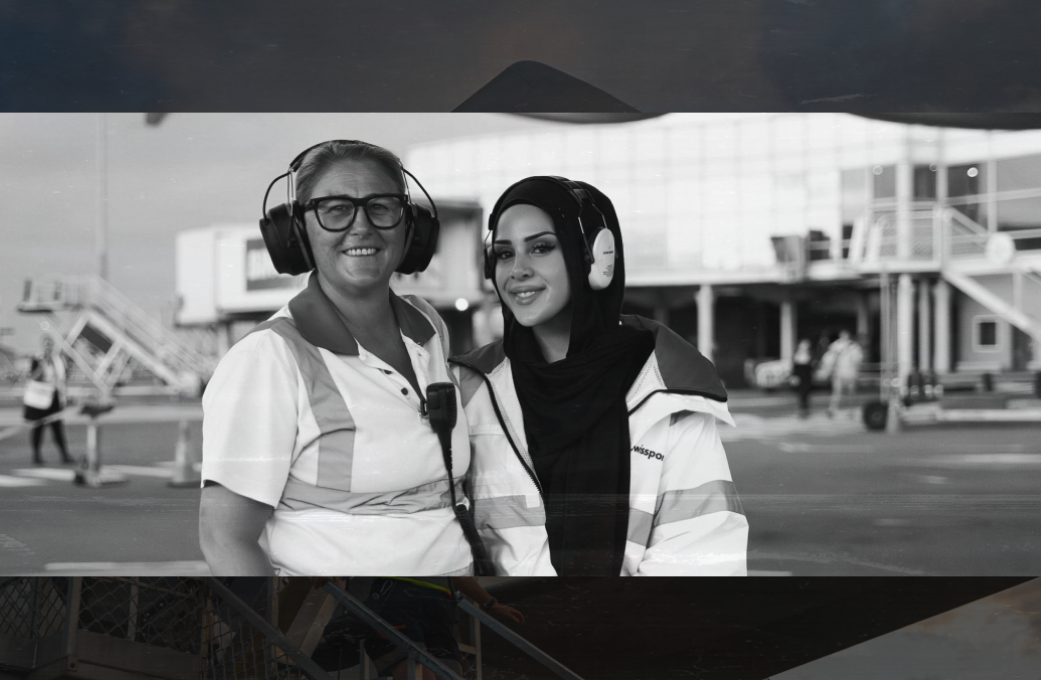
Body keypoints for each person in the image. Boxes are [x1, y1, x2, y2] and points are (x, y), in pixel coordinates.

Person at [199, 140, 473, 577]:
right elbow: (224, 539)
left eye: (381, 207)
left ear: (410, 227)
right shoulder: (267, 358)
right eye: (335, 209)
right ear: (297, 231)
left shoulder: (428, 326)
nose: (362, 226)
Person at [451, 176, 748, 576]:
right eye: (504, 254)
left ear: (595, 258)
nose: (517, 270)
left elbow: (700, 561)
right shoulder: (467, 388)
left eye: (541, 247)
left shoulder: (666, 389)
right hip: (498, 633)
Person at [311, 576, 524, 680]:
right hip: (399, 596)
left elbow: (459, 574)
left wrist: (491, 604)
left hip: (439, 603)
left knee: (446, 672)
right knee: (418, 671)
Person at [22, 345, 74, 466]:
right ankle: (36, 455)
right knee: (38, 428)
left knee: (57, 428)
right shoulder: (37, 360)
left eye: (50, 345)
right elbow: (32, 377)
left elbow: (63, 377)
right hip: (40, 399)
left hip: (54, 398)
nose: (48, 348)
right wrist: (42, 364)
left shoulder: (58, 360)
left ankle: (64, 455)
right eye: (46, 345)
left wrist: (65, 395)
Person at [824, 330, 864, 416]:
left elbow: (858, 359)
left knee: (851, 393)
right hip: (839, 372)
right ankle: (832, 409)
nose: (844, 337)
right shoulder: (835, 345)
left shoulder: (854, 346)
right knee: (836, 392)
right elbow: (829, 358)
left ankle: (851, 411)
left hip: (851, 373)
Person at [792, 338, 815, 418]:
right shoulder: (797, 355)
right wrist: (794, 376)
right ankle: (801, 409)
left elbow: (812, 367)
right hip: (799, 377)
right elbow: (795, 368)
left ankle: (805, 409)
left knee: (806, 393)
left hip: (807, 377)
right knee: (800, 394)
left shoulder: (810, 355)